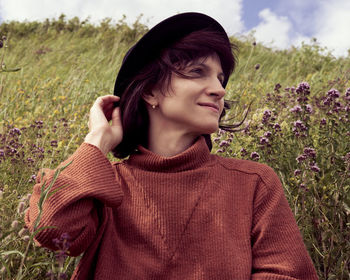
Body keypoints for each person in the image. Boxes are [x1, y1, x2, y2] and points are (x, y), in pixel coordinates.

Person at [25, 12, 319, 279]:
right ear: (151, 90)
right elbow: (51, 228)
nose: (219, 89)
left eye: (220, 78)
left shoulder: (253, 183)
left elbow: (286, 274)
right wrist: (97, 141)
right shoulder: (104, 185)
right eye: (196, 72)